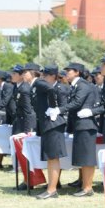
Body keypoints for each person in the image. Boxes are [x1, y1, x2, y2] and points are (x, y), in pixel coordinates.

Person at [54, 62, 98, 197]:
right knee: (83, 158)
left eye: (69, 71)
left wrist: (60, 109)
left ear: (77, 72)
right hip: (80, 125)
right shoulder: (76, 85)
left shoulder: (82, 85)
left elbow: (77, 102)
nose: (66, 73)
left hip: (86, 125)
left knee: (87, 158)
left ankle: (88, 188)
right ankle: (85, 186)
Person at [33, 65, 67, 200]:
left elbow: (57, 99)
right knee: (50, 158)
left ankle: (52, 189)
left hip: (53, 123)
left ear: (52, 75)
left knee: (53, 157)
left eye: (45, 75)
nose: (43, 77)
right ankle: (51, 186)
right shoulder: (46, 85)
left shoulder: (55, 87)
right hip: (47, 123)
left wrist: (53, 107)